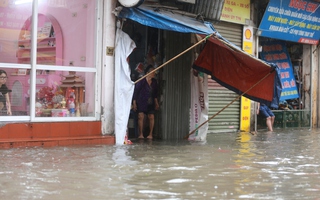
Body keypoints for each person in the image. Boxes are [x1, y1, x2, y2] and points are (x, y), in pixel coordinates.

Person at [132, 65, 159, 139]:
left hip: (150, 101)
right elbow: (136, 92)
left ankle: (150, 134)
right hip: (141, 101)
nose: (154, 74)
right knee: (141, 116)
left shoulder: (154, 82)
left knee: (151, 116)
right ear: (148, 73)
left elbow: (155, 93)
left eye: (154, 72)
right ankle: (141, 134)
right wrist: (134, 103)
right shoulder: (141, 81)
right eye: (152, 72)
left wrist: (156, 102)